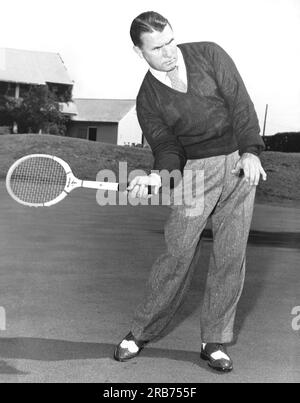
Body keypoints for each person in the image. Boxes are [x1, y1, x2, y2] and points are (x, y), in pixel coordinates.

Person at [114, 11, 267, 372]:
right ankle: (141, 330)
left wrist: (250, 151)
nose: (168, 52)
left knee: (230, 256)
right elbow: (168, 149)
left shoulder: (209, 54)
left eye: (170, 41)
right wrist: (158, 176)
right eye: (157, 48)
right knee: (177, 254)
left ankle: (213, 341)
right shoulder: (147, 99)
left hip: (239, 165)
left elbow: (240, 104)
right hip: (196, 173)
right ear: (139, 51)